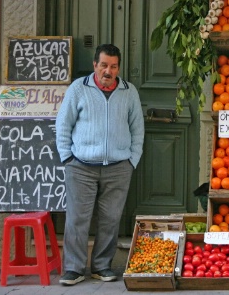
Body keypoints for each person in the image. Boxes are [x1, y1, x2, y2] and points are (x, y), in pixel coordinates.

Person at [55, 44, 144, 286]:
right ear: (95, 65)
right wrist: (67, 158)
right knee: (77, 219)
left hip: (118, 166)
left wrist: (131, 160)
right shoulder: (78, 89)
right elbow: (63, 125)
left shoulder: (129, 91)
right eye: (104, 65)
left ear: (118, 68)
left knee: (111, 218)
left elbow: (137, 129)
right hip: (81, 166)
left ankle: (102, 266)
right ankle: (73, 268)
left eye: (113, 66)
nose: (108, 71)